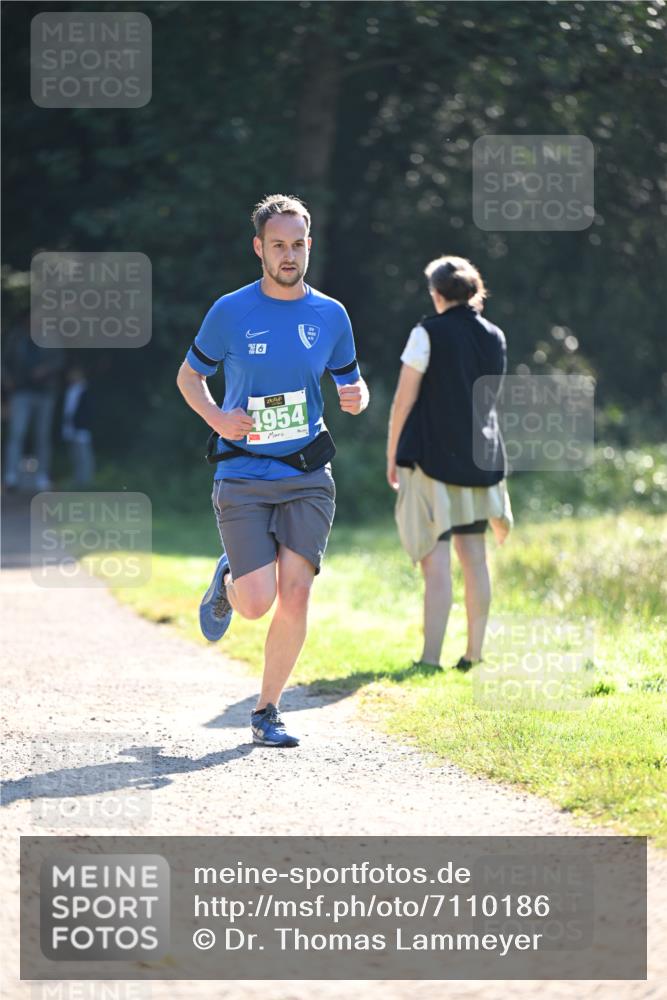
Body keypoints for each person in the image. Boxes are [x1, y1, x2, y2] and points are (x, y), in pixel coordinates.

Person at [177, 194, 369, 748]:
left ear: (310, 244)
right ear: (259, 248)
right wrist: (217, 416)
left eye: (299, 244)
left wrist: (357, 397)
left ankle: (266, 711)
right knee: (257, 603)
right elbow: (190, 378)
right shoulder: (231, 311)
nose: (290, 254)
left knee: (297, 594)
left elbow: (350, 384)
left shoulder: (331, 315)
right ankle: (230, 576)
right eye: (279, 245)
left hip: (308, 473)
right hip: (241, 472)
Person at [386, 255, 512, 671]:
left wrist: (392, 456)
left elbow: (404, 401)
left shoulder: (427, 333)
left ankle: (429, 659)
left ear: (437, 294)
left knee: (435, 559)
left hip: (432, 460)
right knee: (474, 557)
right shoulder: (495, 336)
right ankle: (474, 655)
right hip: (481, 460)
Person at [3, 313, 64, 492]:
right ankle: (11, 476)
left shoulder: (51, 338)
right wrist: (6, 379)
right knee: (17, 432)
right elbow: (3, 361)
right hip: (20, 392)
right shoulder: (15, 337)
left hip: (45, 393)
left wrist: (45, 370)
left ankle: (42, 476)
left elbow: (60, 360)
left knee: (42, 435)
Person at [62, 364, 95, 487]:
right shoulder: (70, 390)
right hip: (70, 428)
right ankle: (77, 479)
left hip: (81, 428)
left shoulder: (85, 390)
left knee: (84, 455)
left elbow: (86, 411)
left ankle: (86, 480)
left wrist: (80, 423)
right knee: (74, 455)